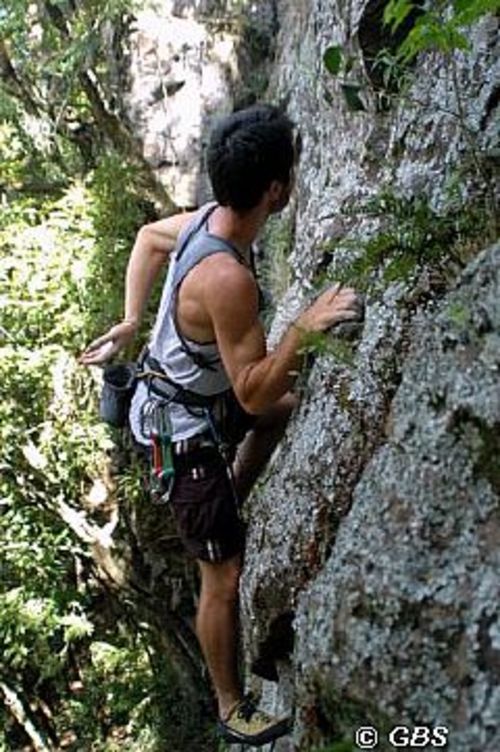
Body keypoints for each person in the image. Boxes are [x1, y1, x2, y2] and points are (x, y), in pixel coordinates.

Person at [80, 104, 361, 747]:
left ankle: (228, 495)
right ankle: (231, 706)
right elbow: (256, 390)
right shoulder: (227, 276)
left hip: (191, 402)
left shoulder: (209, 221)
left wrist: (131, 321)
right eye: (292, 168)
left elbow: (151, 236)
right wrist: (302, 328)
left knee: (283, 415)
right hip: (179, 435)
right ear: (275, 190)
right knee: (224, 574)